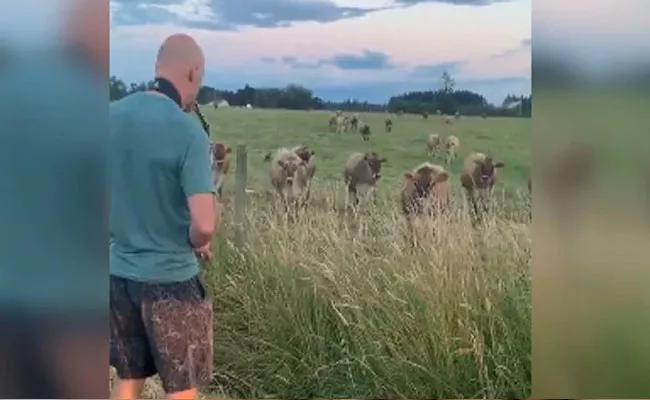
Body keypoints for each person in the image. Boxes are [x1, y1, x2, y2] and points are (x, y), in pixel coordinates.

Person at [109, 34, 219, 400]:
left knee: (128, 378)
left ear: (157, 67)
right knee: (182, 388)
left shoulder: (109, 115)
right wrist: (197, 242)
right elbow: (204, 225)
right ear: (193, 72)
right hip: (170, 281)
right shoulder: (187, 131)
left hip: (118, 276)